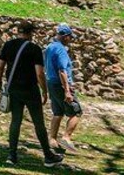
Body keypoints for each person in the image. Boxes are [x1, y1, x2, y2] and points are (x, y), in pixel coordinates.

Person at [0, 21, 64, 167]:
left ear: (18, 31)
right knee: (38, 123)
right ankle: (47, 156)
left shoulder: (8, 45)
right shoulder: (34, 49)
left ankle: (12, 155)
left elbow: (0, 67)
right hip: (30, 90)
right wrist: (44, 91)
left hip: (13, 88)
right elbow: (39, 73)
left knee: (15, 121)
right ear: (31, 32)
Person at [45, 24, 82, 152]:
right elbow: (62, 70)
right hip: (61, 85)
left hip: (51, 82)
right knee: (76, 112)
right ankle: (66, 137)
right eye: (70, 37)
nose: (71, 39)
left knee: (58, 112)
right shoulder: (61, 49)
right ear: (66, 37)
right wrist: (67, 90)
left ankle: (52, 140)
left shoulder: (50, 47)